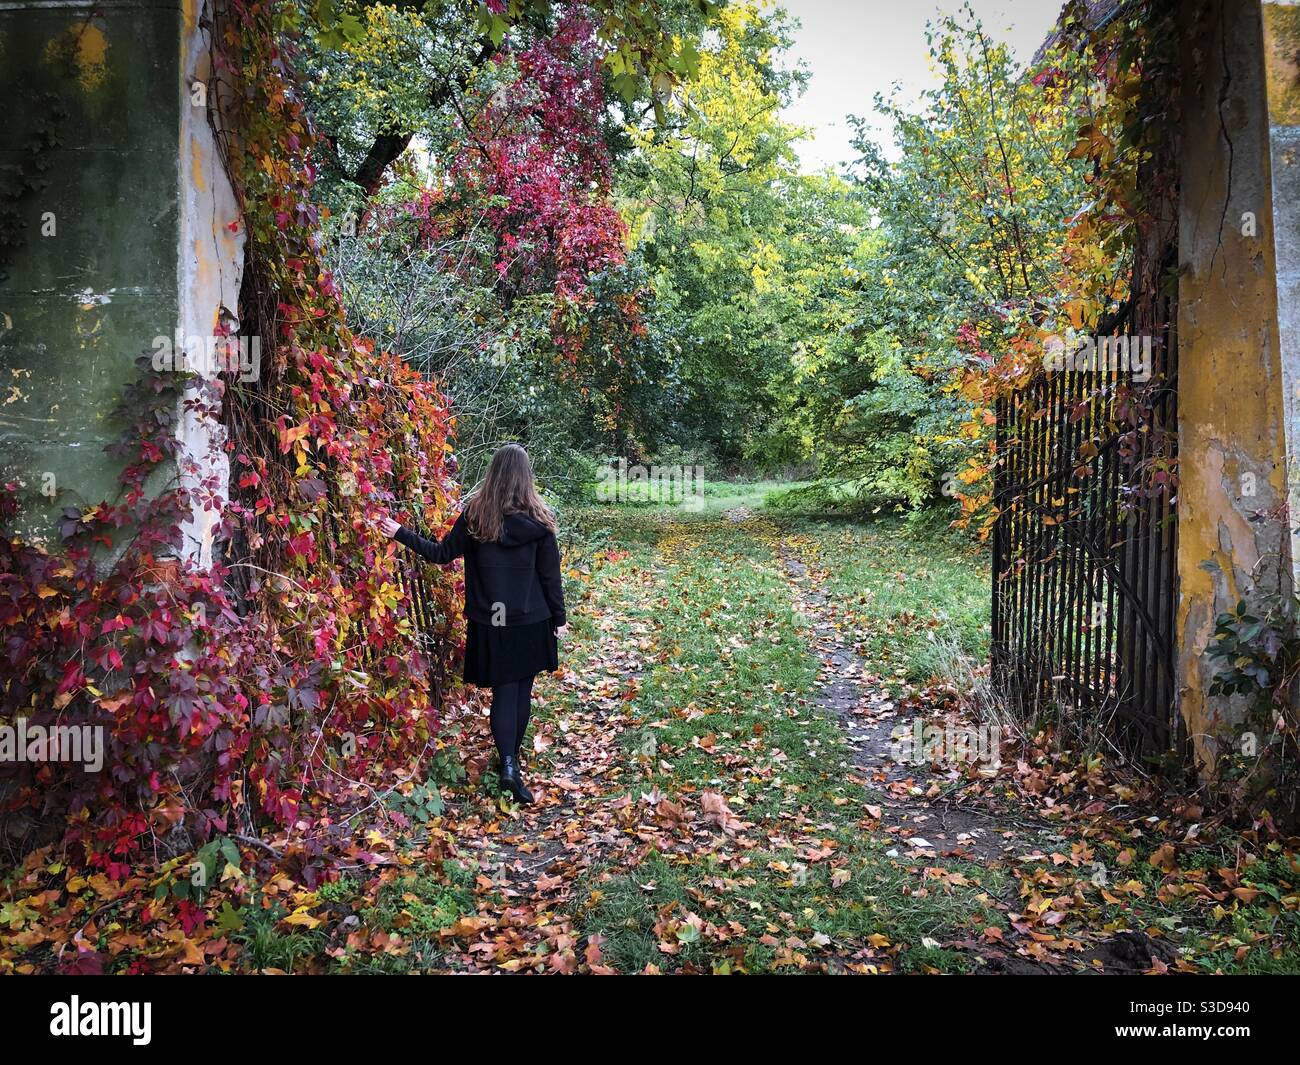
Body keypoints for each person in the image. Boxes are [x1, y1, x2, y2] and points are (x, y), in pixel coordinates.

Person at [377, 443, 567, 804]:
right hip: (530, 621)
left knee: (503, 693)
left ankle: (508, 763)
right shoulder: (540, 523)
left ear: (493, 473)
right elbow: (549, 577)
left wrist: (401, 532)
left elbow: (440, 554)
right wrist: (559, 618)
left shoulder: (476, 517)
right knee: (521, 692)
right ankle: (511, 765)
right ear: (526, 478)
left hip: (491, 622)